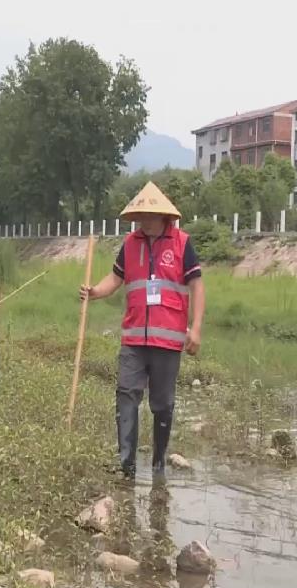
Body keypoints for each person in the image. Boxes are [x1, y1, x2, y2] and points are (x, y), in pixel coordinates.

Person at [80, 181, 205, 480]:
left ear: (164, 216)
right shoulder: (130, 243)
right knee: (126, 394)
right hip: (134, 337)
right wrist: (95, 291)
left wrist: (196, 328)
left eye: (150, 215)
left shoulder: (182, 243)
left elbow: (197, 286)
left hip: (168, 339)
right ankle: (127, 465)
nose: (145, 221)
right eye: (141, 216)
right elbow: (116, 278)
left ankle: (159, 460)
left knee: (162, 404)